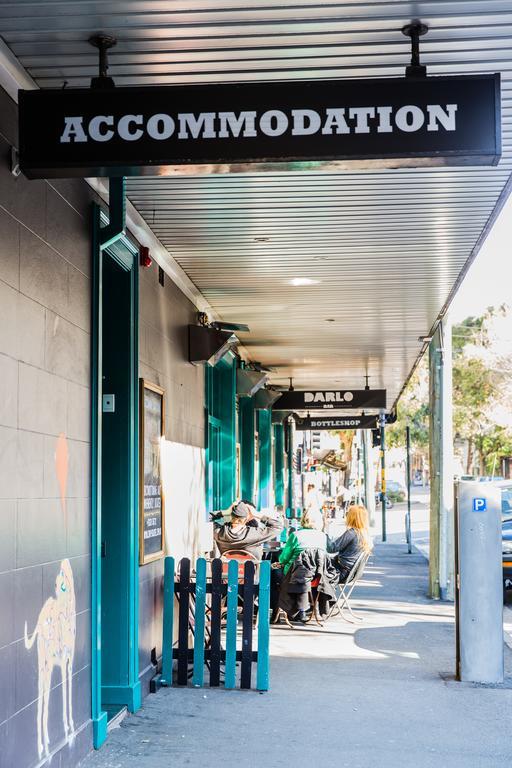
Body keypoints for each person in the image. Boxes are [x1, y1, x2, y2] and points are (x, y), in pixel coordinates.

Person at [212, 500, 282, 560]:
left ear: (231, 515)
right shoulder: (253, 534)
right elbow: (278, 526)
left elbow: (205, 519)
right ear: (247, 518)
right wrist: (257, 514)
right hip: (251, 573)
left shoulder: (218, 532)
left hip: (226, 572)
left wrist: (225, 512)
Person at [328, 504, 373, 582]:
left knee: (314, 567)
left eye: (348, 513)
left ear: (352, 517)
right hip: (352, 573)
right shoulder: (364, 534)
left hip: (341, 572)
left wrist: (325, 536)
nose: (346, 516)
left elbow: (332, 548)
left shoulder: (352, 533)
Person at [278, 508, 327, 575]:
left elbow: (283, 559)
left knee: (275, 572)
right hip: (316, 576)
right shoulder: (323, 537)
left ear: (303, 519)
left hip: (293, 576)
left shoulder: (295, 535)